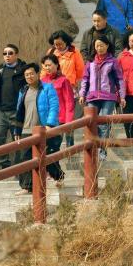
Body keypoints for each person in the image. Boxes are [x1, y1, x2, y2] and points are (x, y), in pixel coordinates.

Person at [13, 63, 60, 194]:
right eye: (26, 75)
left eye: (31, 74)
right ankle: (27, 186)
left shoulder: (47, 88)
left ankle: (58, 177)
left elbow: (54, 106)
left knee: (48, 156)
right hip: (27, 129)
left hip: (44, 129)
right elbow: (19, 111)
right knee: (24, 158)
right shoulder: (23, 91)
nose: (29, 76)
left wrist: (50, 124)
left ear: (38, 74)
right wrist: (17, 129)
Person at [79, 35, 125, 161]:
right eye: (97, 46)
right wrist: (82, 94)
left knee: (104, 123)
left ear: (107, 46)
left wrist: (122, 96)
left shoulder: (113, 61)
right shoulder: (90, 62)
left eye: (102, 45)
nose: (99, 48)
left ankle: (102, 150)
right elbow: (85, 80)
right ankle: (95, 147)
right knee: (92, 123)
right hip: (92, 97)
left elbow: (119, 80)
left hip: (108, 97)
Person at [0, 44, 27, 169]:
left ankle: (19, 168)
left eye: (10, 53)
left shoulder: (23, 69)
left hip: (17, 111)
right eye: (5, 53)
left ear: (16, 55)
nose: (7, 56)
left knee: (18, 140)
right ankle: (5, 165)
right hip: (1, 111)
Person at [41, 54, 74, 185]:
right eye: (45, 66)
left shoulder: (63, 81)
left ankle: (57, 176)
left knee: (53, 148)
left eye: (50, 65)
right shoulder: (42, 81)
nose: (47, 68)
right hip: (46, 121)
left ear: (56, 65)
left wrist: (68, 121)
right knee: (46, 149)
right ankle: (55, 175)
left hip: (60, 120)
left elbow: (69, 101)